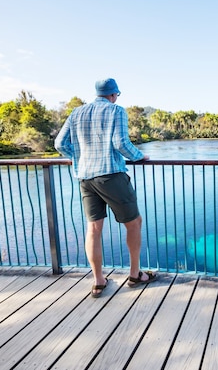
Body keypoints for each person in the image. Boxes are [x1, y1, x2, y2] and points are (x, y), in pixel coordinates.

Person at [55, 78, 157, 297]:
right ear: (113, 95)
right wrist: (140, 156)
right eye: (116, 95)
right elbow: (120, 143)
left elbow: (60, 144)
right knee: (134, 223)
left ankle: (99, 281)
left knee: (93, 229)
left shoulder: (76, 113)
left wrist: (81, 157)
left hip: (86, 178)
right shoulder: (116, 111)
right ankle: (135, 275)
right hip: (110, 175)